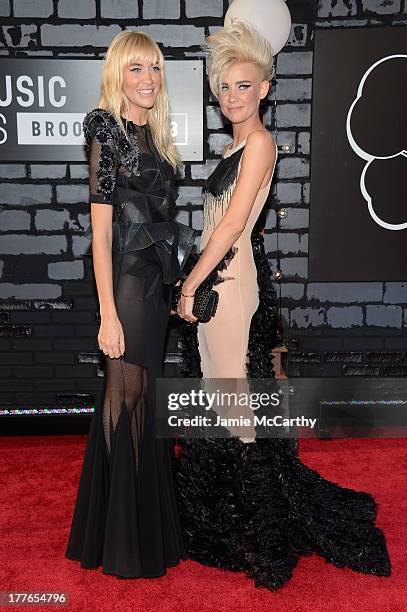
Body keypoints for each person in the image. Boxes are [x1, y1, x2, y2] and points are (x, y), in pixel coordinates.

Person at [175, 21, 391, 591]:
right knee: (222, 404)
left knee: (238, 411)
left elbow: (230, 229)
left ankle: (264, 545)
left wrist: (189, 286)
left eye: (243, 86)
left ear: (265, 88)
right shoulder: (234, 145)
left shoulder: (263, 143)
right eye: (224, 87)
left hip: (229, 285)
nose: (232, 97)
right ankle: (229, 525)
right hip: (216, 283)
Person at [65, 30, 195, 579]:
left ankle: (132, 529)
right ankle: (121, 539)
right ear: (119, 73)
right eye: (136, 68)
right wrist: (108, 315)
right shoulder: (107, 131)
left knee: (141, 398)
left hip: (155, 283)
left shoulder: (156, 137)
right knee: (127, 395)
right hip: (125, 283)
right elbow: (99, 236)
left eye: (155, 68)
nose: (147, 79)